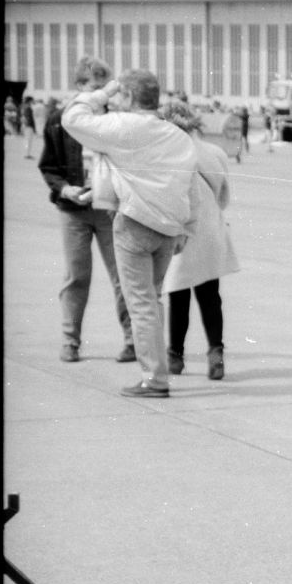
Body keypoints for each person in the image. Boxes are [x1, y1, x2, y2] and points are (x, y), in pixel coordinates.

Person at [62, 68, 198, 398]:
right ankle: (157, 370)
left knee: (141, 305)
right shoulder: (178, 136)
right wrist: (186, 229)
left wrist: (103, 92)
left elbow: (73, 117)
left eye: (122, 95)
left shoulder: (123, 126)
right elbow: (189, 186)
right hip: (168, 229)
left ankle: (154, 379)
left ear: (131, 97)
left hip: (134, 224)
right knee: (152, 300)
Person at [40, 59, 136, 366]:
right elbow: (49, 166)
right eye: (95, 88)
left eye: (104, 89)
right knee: (76, 276)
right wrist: (65, 189)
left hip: (108, 209)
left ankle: (133, 340)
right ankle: (70, 340)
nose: (101, 96)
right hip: (73, 210)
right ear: (80, 87)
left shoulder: (115, 121)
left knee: (122, 276)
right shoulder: (59, 120)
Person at [158, 100, 240, 381]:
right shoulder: (214, 152)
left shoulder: (168, 153)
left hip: (181, 231)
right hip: (210, 232)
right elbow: (224, 197)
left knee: (178, 296)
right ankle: (215, 353)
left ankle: (175, 357)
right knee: (210, 297)